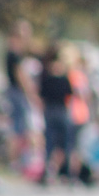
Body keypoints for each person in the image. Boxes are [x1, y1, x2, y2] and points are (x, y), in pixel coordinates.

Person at [37, 44, 77, 187]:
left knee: (58, 143)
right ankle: (58, 173)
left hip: (55, 110)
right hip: (57, 110)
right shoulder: (54, 77)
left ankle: (62, 172)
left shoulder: (52, 76)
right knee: (57, 143)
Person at [3, 21, 38, 171]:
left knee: (19, 128)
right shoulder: (14, 52)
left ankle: (18, 161)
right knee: (18, 129)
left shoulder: (13, 51)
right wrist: (31, 93)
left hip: (14, 92)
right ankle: (16, 162)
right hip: (17, 93)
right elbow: (20, 75)